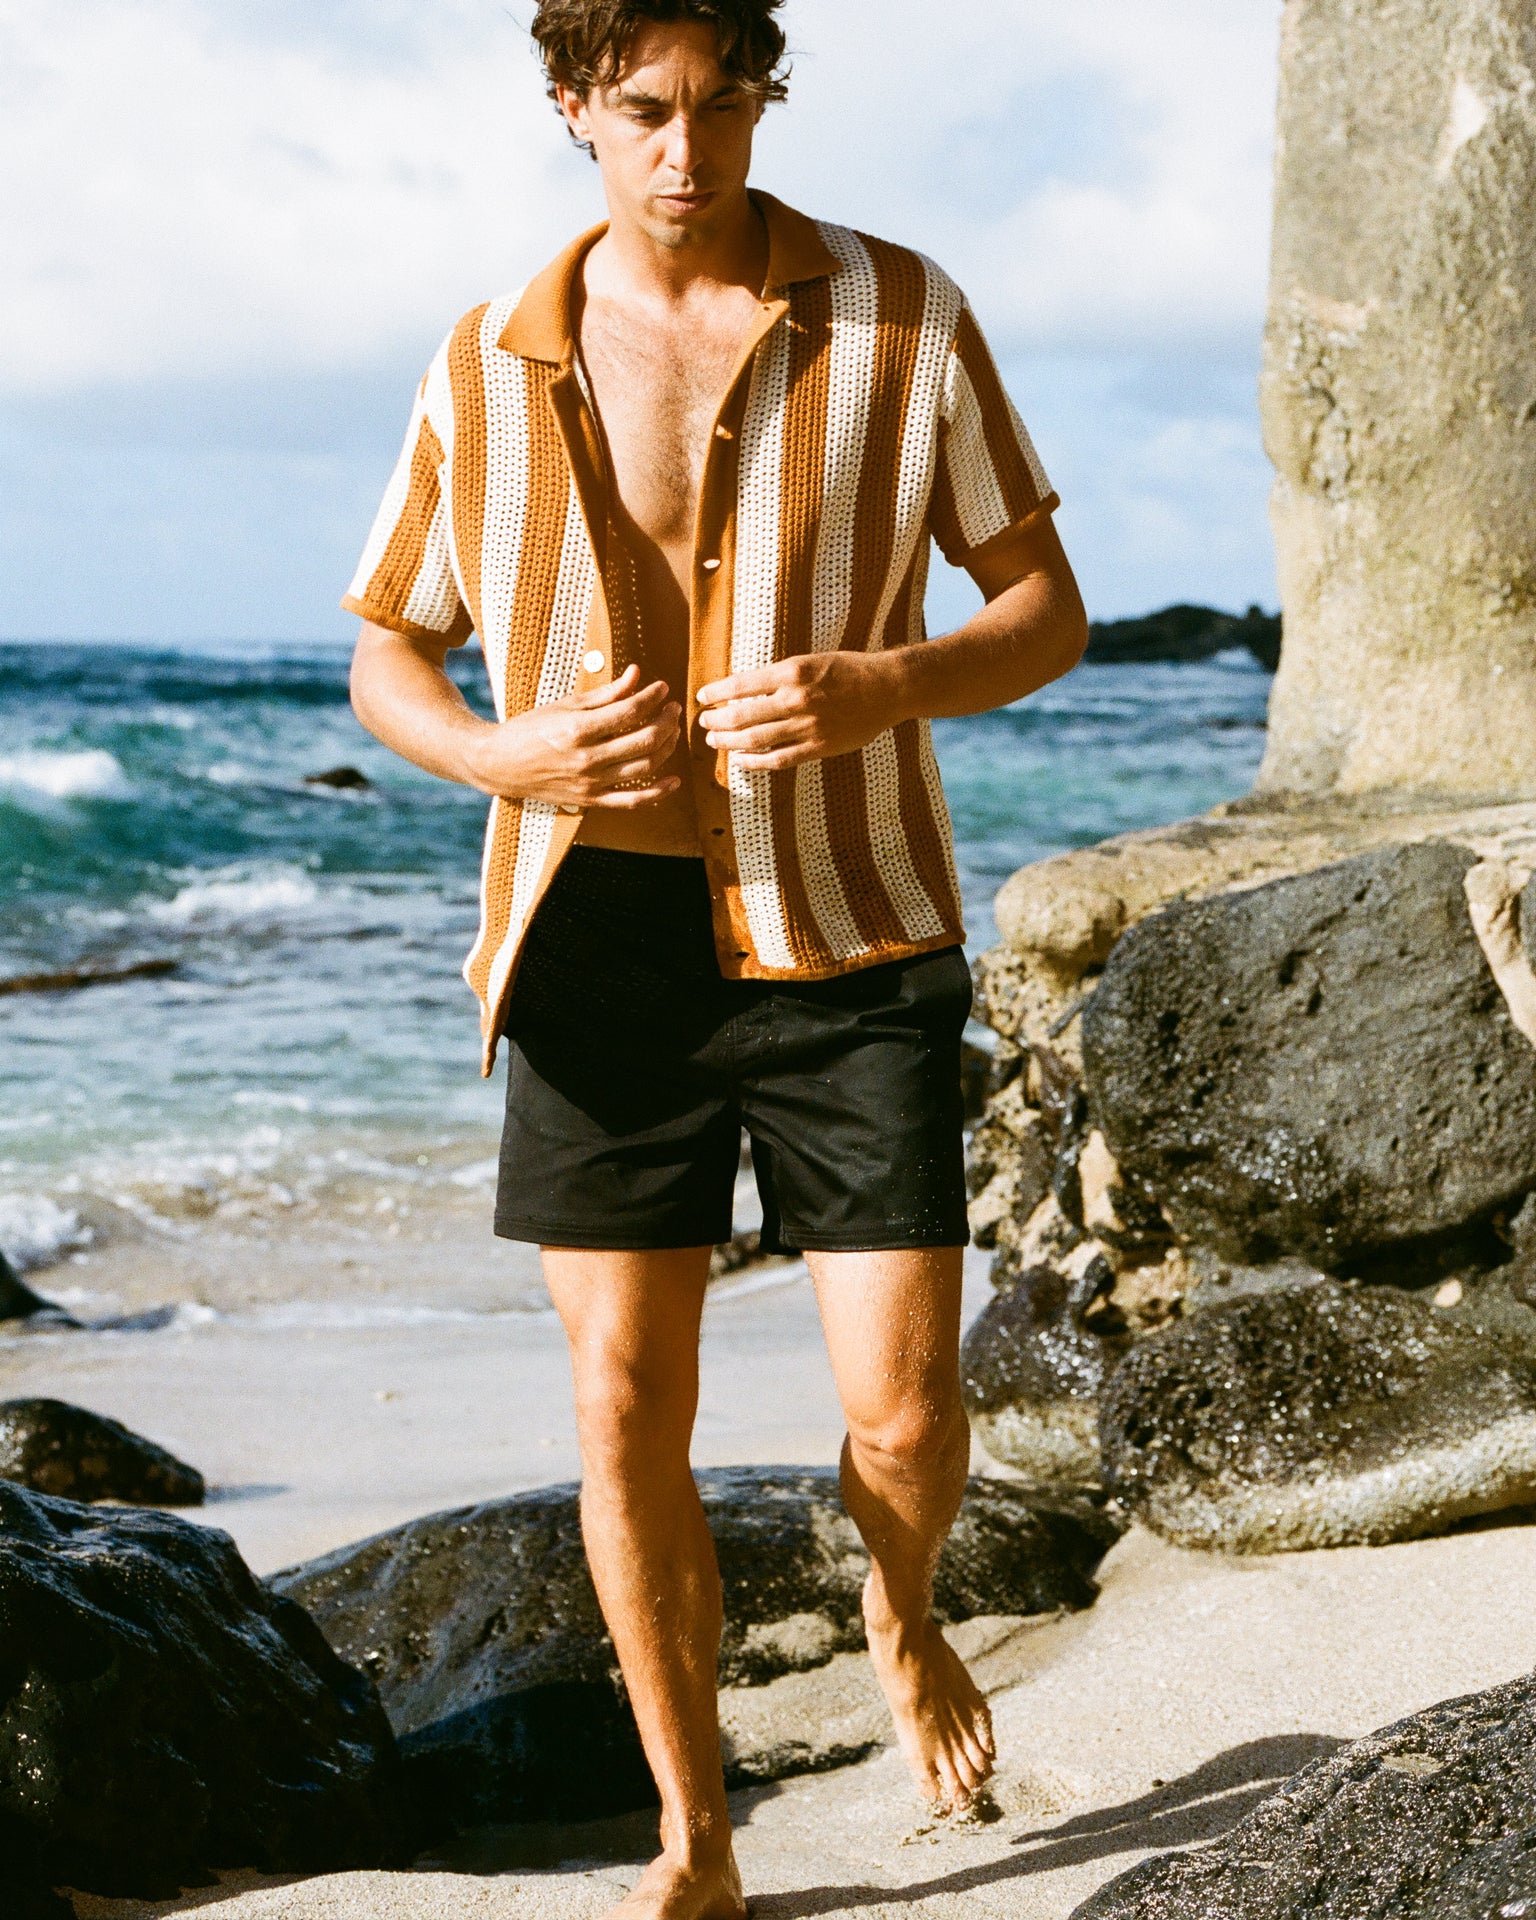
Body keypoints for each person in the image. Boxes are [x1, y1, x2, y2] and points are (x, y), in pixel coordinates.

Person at [346, 2, 1087, 1913]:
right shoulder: (484, 358)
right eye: (646, 112)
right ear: (576, 110)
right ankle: (698, 1836)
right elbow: (388, 654)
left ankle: (901, 1614)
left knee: (908, 1410)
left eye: (722, 104)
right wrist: (499, 752)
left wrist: (879, 685)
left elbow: (1043, 611)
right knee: (618, 1409)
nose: (687, 151)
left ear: (764, 96)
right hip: (592, 933)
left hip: (847, 915)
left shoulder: (902, 317)